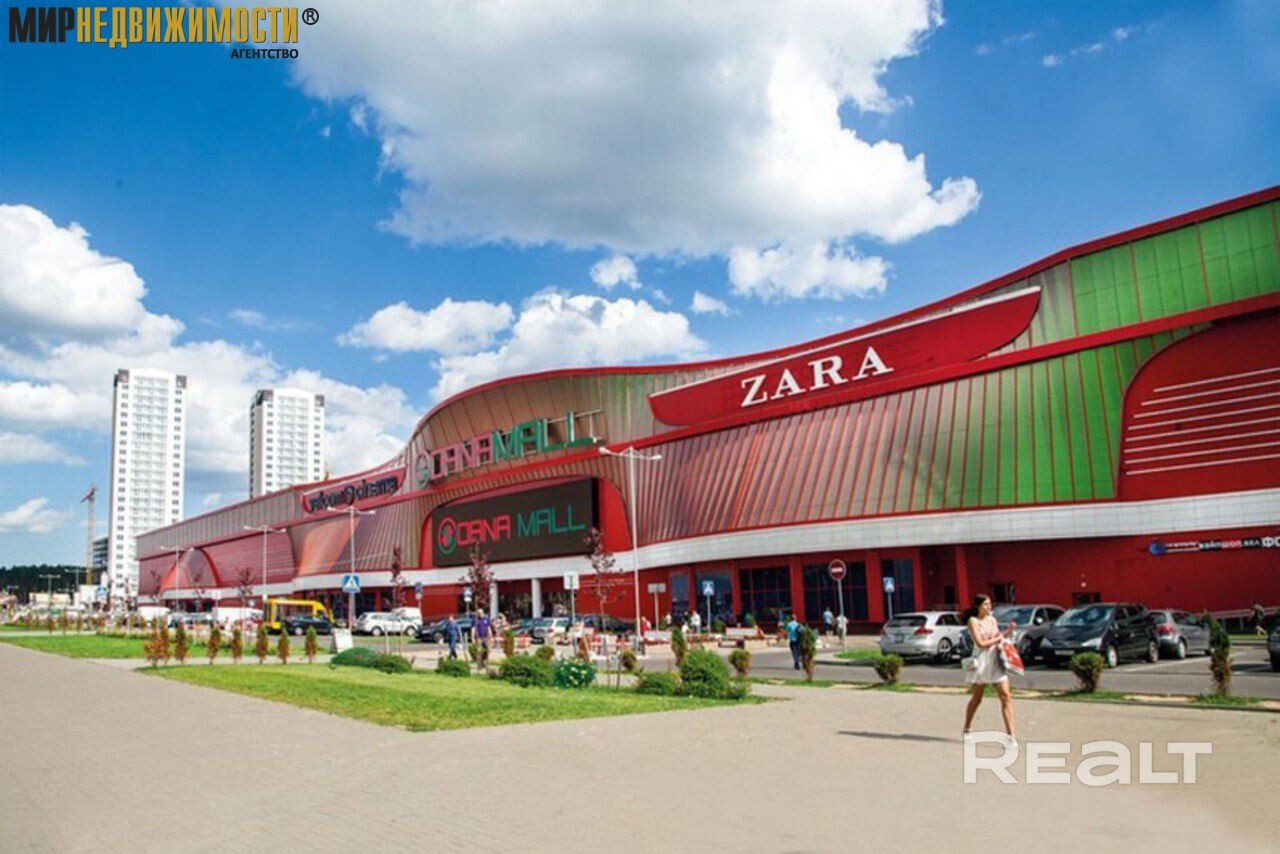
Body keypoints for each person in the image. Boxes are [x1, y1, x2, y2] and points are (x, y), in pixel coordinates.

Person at [961, 594, 1017, 744]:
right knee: (977, 699)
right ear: (978, 606)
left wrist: (1007, 634)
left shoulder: (992, 620)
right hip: (981, 663)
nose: (989, 607)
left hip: (995, 661)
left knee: (1005, 696)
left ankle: (1011, 736)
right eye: (985, 604)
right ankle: (967, 727)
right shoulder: (973, 621)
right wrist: (1000, 637)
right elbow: (980, 643)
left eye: (990, 604)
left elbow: (999, 638)